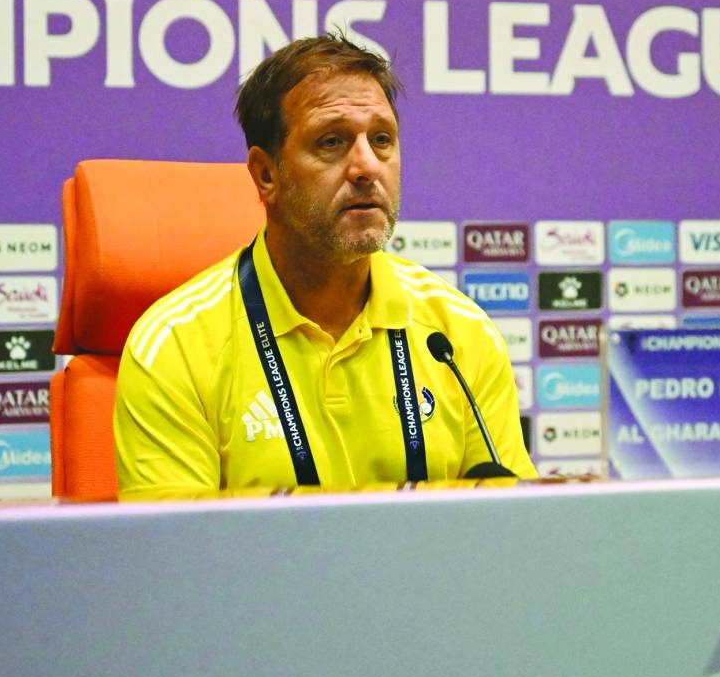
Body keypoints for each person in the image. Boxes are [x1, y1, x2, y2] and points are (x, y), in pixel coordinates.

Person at [114, 32, 536, 498]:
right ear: (266, 174)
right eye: (331, 142)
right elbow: (178, 558)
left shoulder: (457, 335)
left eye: (382, 140)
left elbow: (511, 529)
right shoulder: (176, 347)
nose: (365, 167)